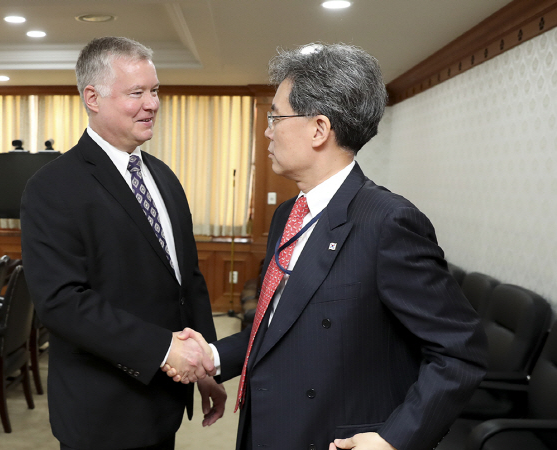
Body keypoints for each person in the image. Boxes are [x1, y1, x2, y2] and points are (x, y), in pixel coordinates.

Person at [166, 43, 487, 450]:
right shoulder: (288, 214)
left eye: (276, 117)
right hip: (265, 427)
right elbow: (277, 324)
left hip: (328, 437)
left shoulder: (388, 223)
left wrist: (394, 439)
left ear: (319, 129)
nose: (268, 130)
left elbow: (460, 351)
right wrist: (211, 356)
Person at [20, 36, 226, 450]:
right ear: (92, 97)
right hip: (102, 412)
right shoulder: (52, 186)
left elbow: (188, 280)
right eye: (137, 93)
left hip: (163, 402)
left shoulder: (163, 176)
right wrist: (164, 349)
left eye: (155, 91)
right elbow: (62, 302)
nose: (152, 104)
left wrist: (206, 367)